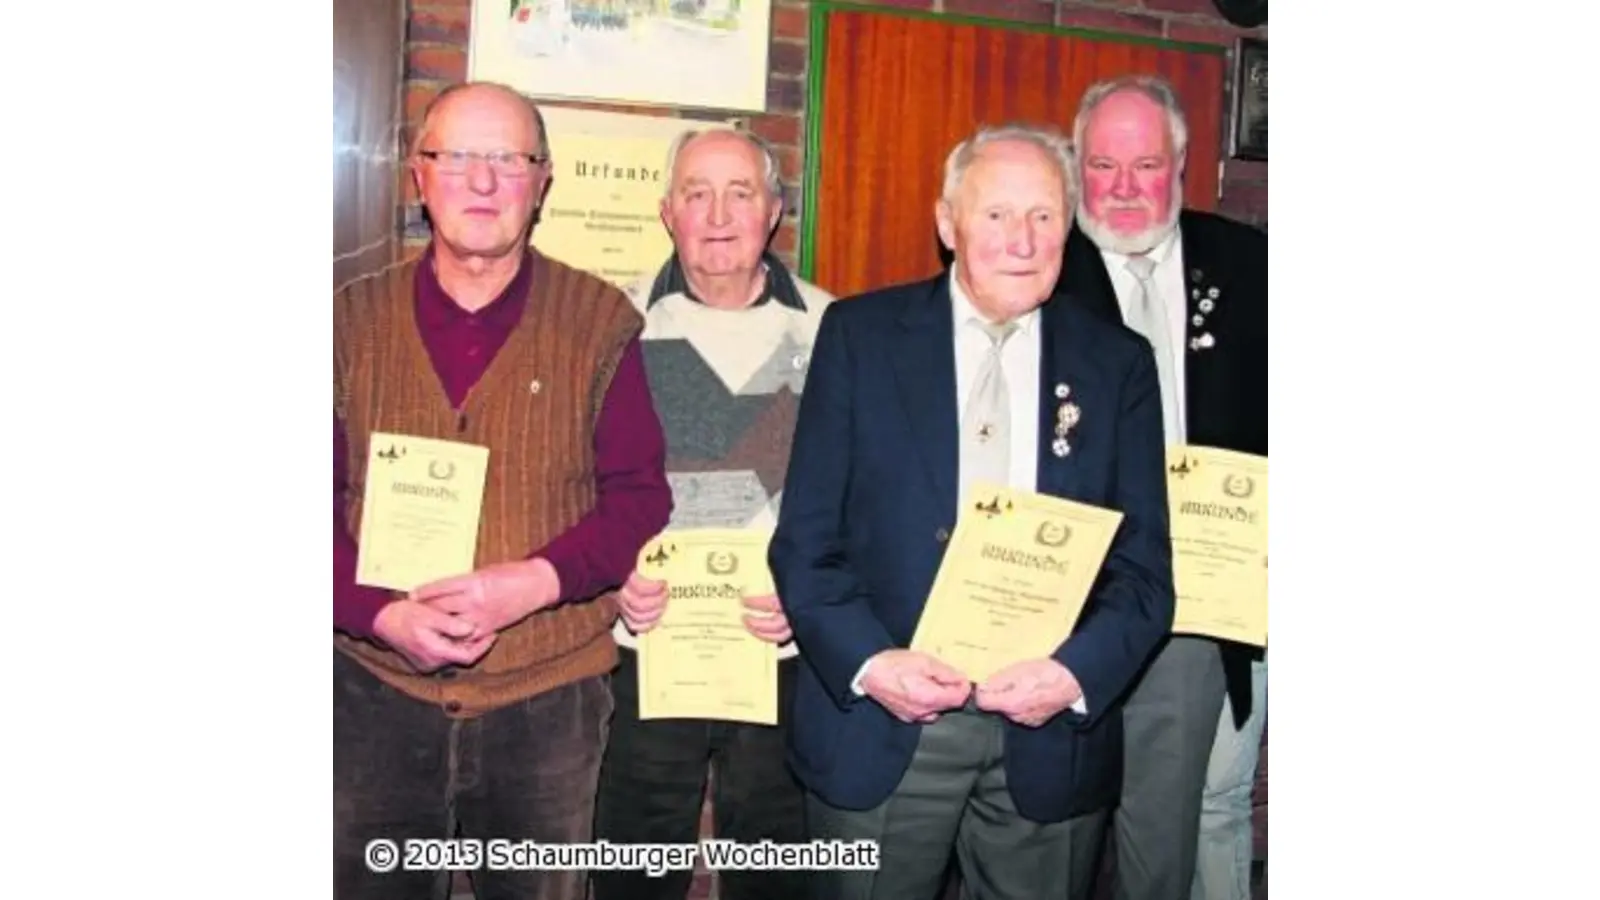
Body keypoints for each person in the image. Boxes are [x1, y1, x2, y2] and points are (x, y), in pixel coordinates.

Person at [768, 122, 1174, 900]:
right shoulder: (859, 336)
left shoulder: (1117, 365)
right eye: (995, 215)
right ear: (948, 223)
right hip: (884, 726)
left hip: (1050, 736)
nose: (1022, 240)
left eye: (1044, 216)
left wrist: (1072, 675)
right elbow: (806, 544)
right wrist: (872, 664)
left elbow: (1145, 573)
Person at [331, 81, 673, 900]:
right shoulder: (343, 320)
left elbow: (637, 497)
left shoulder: (600, 321)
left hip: (546, 701)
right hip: (372, 692)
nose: (483, 183)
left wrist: (531, 583)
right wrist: (379, 613)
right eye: (458, 158)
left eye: (508, 161)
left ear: (543, 180)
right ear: (420, 175)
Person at [590, 126, 836, 900]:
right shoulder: (611, 324)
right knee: (634, 865)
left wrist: (815, 598)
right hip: (648, 643)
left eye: (741, 193)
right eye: (698, 193)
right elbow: (573, 481)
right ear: (668, 212)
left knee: (777, 870)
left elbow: (863, 493)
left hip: (784, 652)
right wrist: (608, 583)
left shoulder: (839, 331)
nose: (719, 213)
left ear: (775, 211)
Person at [1052, 74, 1268, 900]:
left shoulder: (1252, 265)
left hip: (1208, 598)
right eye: (1104, 166)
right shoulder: (1039, 267)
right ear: (1078, 170)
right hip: (1071, 600)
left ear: (1182, 162)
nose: (1125, 188)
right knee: (1054, 827)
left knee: (1173, 825)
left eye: (1147, 164)